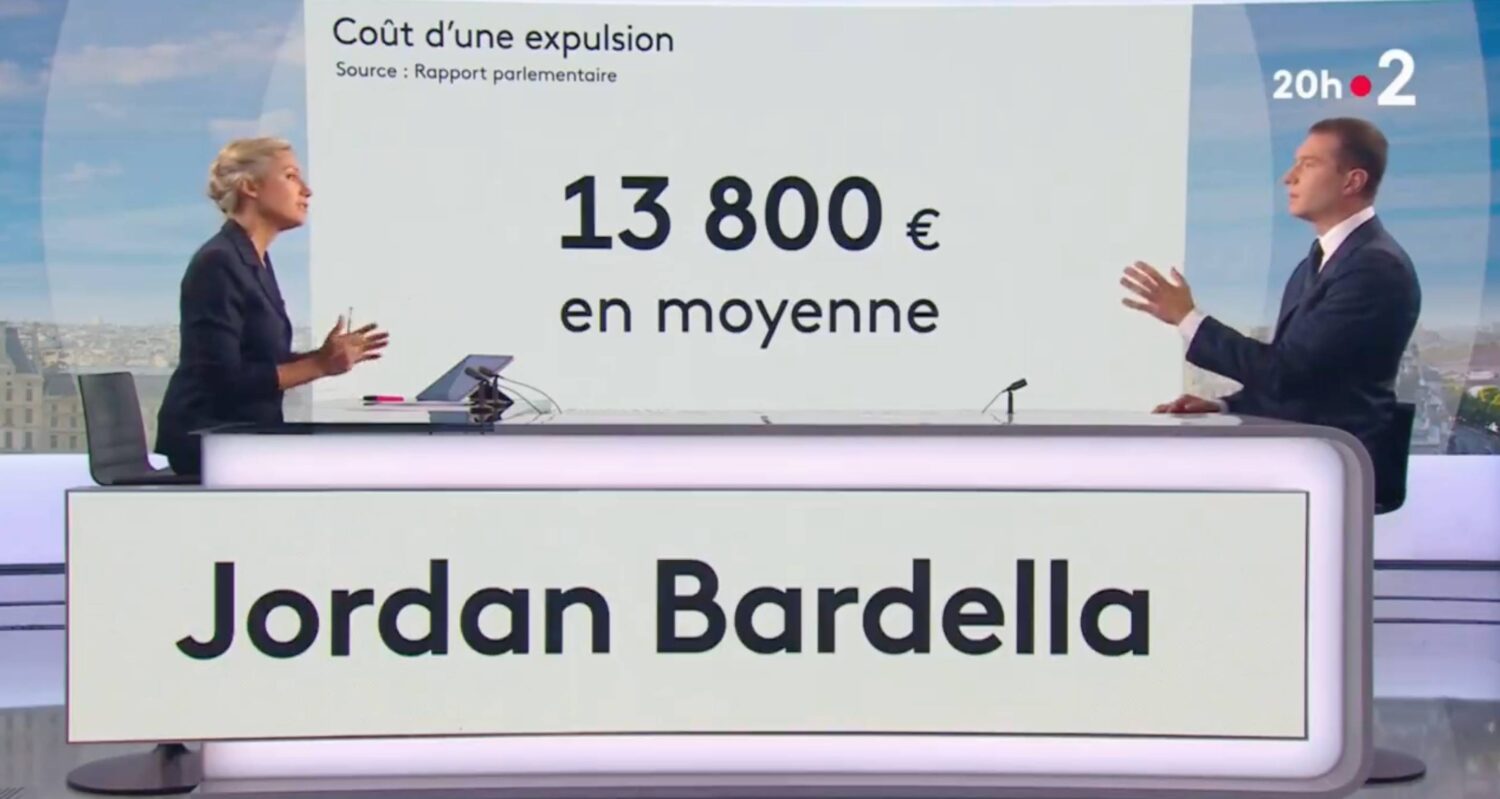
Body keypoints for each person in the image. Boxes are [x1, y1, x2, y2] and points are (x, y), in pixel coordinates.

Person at [1120, 117, 1421, 467]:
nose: (1289, 177)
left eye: (1309, 164)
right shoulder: (1319, 261)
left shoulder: (1374, 267)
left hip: (1344, 470)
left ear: (1352, 181)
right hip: (1317, 465)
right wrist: (1225, 406)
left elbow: (1288, 373)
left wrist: (1187, 317)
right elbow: (1307, 382)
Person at [155, 137, 388, 476]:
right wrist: (320, 365)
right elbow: (223, 380)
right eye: (291, 176)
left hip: (244, 439)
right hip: (211, 445)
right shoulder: (218, 262)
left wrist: (324, 357)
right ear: (250, 186)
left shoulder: (253, 259)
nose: (307, 190)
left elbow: (259, 363)